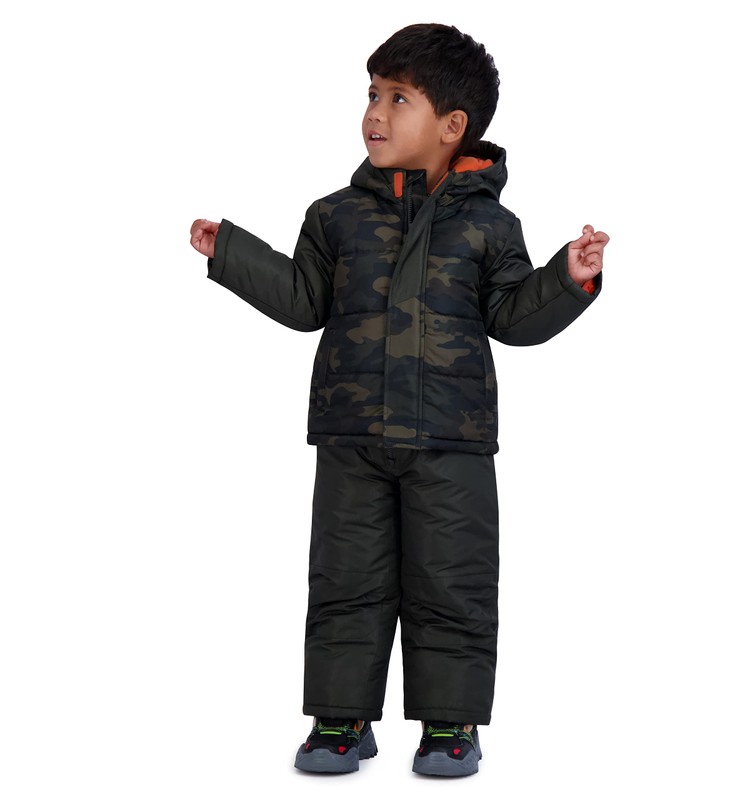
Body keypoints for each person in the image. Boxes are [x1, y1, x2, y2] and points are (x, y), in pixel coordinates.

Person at [189, 23, 608, 778]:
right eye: (372, 94)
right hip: (352, 434)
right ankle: (339, 718)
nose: (375, 113)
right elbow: (303, 300)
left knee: (452, 580)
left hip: (452, 440)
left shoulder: (490, 225)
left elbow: (513, 317)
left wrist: (567, 277)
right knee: (345, 579)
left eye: (398, 98)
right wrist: (233, 252)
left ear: (452, 126)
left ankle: (450, 723)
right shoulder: (336, 215)